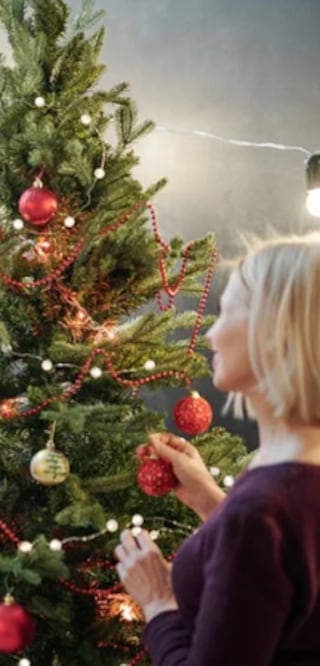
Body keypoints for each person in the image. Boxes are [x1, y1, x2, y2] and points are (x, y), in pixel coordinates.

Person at [114, 233, 320, 665]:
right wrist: (210, 501)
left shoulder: (260, 511)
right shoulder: (285, 475)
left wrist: (158, 603)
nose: (211, 334)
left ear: (272, 332)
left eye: (225, 312)